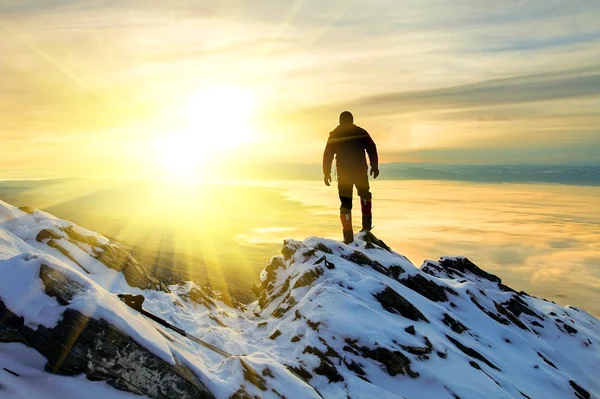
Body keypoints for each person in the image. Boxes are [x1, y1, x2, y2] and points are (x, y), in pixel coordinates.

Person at [322, 111, 379, 244]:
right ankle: (366, 229)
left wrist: (326, 173)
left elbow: (328, 155)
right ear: (352, 120)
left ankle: (348, 236)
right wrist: (374, 166)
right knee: (365, 195)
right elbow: (372, 148)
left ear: (340, 121)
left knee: (346, 204)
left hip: (344, 174)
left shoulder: (335, 134)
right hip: (360, 171)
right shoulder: (360, 132)